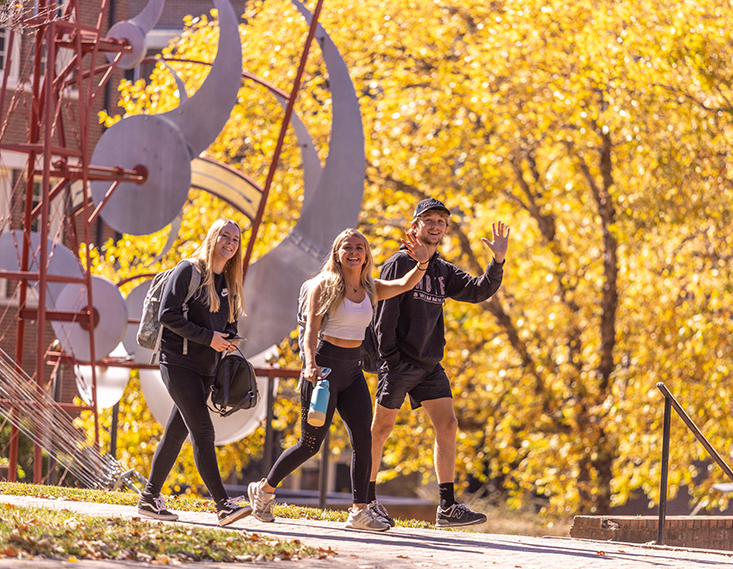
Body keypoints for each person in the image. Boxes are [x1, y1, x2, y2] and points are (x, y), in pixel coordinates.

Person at [246, 228, 429, 531]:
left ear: (367, 255)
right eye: (348, 247)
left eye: (360, 247)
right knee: (310, 444)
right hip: (324, 372)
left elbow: (403, 284)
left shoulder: (370, 288)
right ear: (337, 254)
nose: (354, 252)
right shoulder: (324, 286)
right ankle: (263, 490)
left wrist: (421, 263)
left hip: (353, 371)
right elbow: (310, 333)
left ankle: (359, 510)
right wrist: (309, 363)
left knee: (363, 439)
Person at [367, 198, 509, 528]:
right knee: (380, 430)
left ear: (445, 230)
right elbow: (383, 317)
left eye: (441, 222)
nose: (435, 225)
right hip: (399, 362)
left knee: (448, 426)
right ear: (414, 226)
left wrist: (497, 261)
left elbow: (478, 290)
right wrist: (390, 359)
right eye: (428, 219)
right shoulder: (399, 263)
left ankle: (446, 506)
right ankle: (366, 500)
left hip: (429, 365)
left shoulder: (442, 270)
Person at [137, 218, 252, 526]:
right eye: (224, 235)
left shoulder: (228, 281)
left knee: (177, 432)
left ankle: (149, 499)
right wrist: (208, 338)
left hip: (206, 367)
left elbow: (226, 323)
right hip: (177, 363)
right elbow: (167, 314)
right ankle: (223, 505)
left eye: (235, 239)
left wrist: (228, 337)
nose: (229, 242)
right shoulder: (188, 270)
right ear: (212, 237)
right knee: (203, 431)